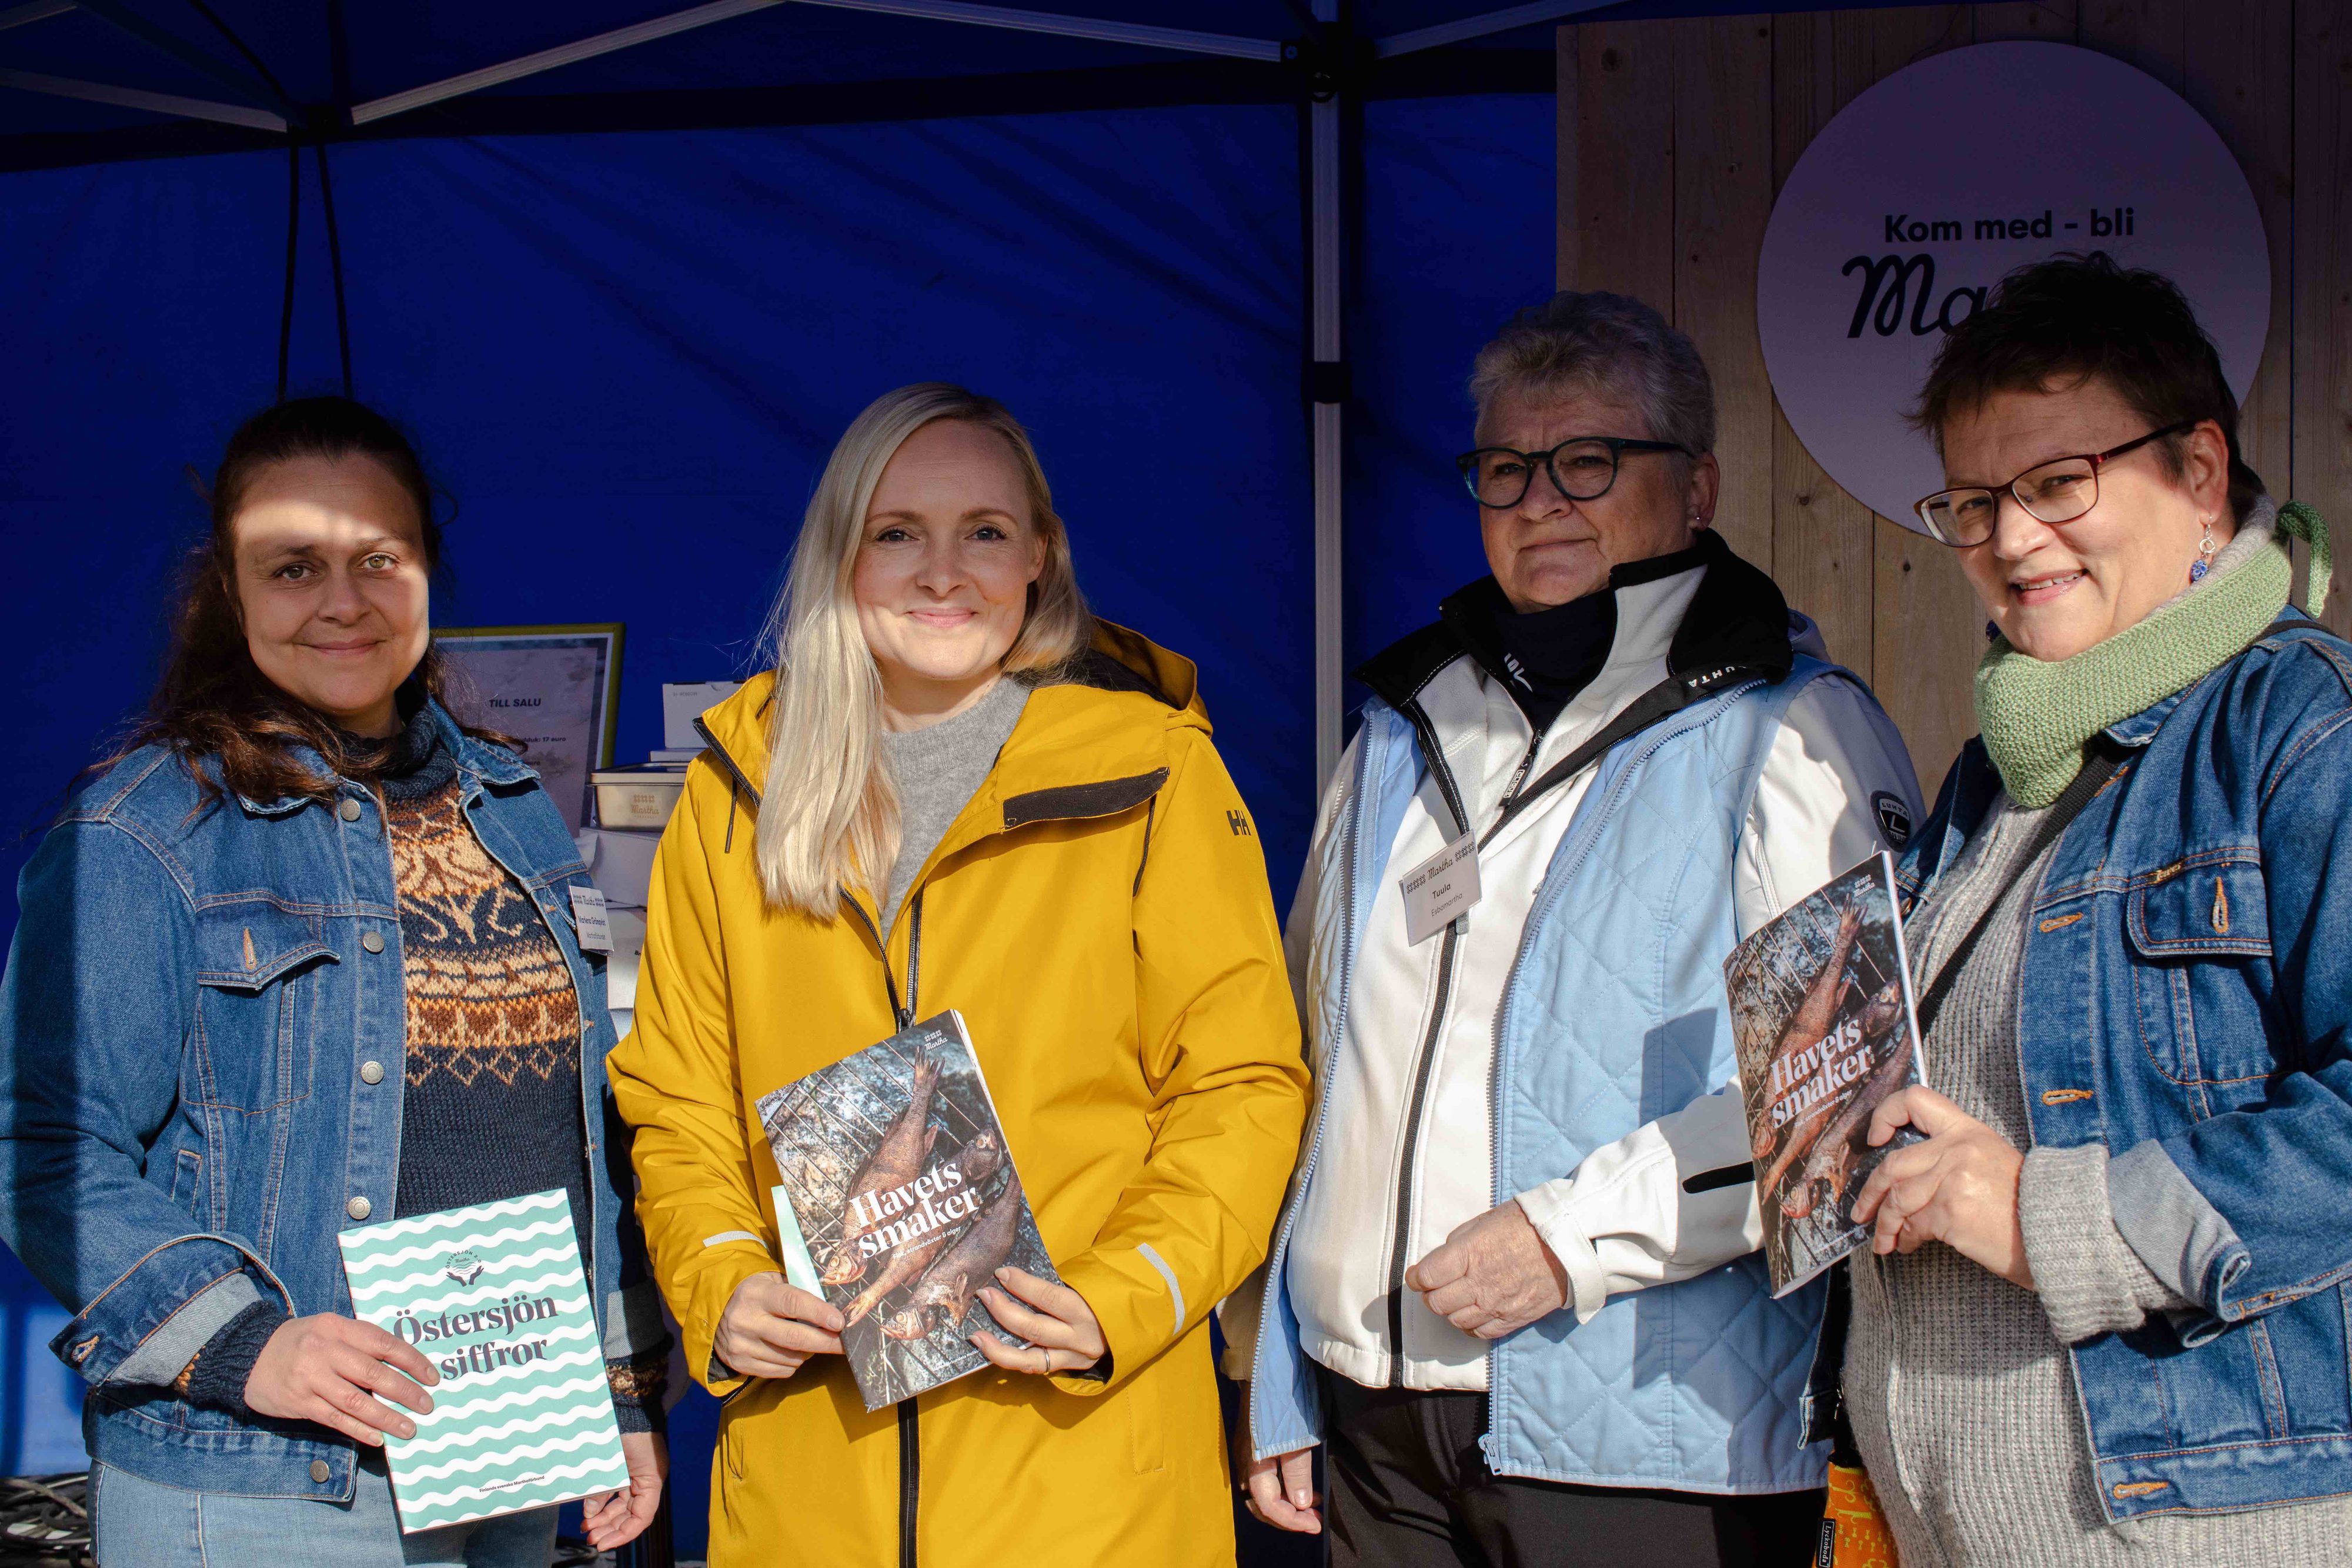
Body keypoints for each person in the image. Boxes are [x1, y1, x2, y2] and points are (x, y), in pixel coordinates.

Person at [1221, 292, 1923, 1567]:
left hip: (1642, 1434)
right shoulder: (1394, 726)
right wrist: (1284, 1358)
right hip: (1373, 1421)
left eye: (1588, 460)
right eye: (1505, 467)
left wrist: (1569, 1238)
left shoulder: (1790, 725)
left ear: (1694, 483)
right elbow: (1312, 1060)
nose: (1540, 497)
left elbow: (1850, 1094)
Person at [605, 382, 1309, 1567]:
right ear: (842, 554)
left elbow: (1244, 1085)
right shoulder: (736, 794)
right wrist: (717, 1274)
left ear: (1038, 555)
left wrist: (1127, 1290)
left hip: (1084, 1473)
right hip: (809, 1483)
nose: (943, 571)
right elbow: (675, 1101)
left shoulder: (1153, 773)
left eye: (982, 530)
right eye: (896, 533)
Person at [0, 397, 671, 1566]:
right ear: (229, 588)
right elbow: (45, 1147)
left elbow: (573, 1138)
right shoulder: (146, 832)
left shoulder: (512, 807)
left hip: (503, 1445)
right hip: (267, 1474)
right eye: (294, 565)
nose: (343, 600)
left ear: (427, 569)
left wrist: (612, 1384)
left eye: (379, 559)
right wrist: (247, 1342)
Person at [1828, 253, 2351, 1560]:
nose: (2008, 540)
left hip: (2201, 1525)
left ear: (2197, 473)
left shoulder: (2297, 725)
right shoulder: (2004, 762)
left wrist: (2056, 1216)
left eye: (2058, 484)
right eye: (1970, 502)